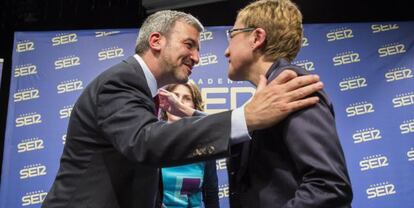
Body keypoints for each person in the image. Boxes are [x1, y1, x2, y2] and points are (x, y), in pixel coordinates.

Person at [42, 9, 324, 208]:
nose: (197, 58)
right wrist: (245, 117)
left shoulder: (142, 89)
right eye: (189, 45)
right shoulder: (121, 81)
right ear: (156, 41)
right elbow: (145, 142)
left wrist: (194, 115)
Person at [224, 0, 353, 207]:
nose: (226, 51)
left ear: (257, 38)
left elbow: (329, 186)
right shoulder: (272, 93)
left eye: (232, 35)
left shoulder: (293, 88)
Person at [160, 81, 219, 208]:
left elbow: (211, 194)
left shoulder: (205, 146)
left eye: (187, 98)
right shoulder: (151, 139)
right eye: (174, 96)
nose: (179, 102)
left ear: (195, 107)